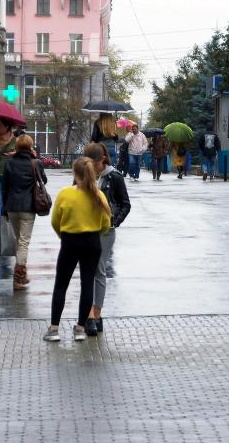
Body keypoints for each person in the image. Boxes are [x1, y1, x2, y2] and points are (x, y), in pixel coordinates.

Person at [43, 157, 111, 342]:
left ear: (75, 173)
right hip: (92, 242)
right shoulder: (99, 195)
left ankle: (54, 328)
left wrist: (63, 235)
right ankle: (80, 328)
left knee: (61, 284)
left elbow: (55, 221)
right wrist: (96, 233)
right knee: (87, 284)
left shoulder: (65, 194)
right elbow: (106, 223)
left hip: (70, 242)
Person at [82, 143, 131, 335]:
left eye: (91, 162)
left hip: (105, 231)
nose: (89, 166)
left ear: (102, 159)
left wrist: (114, 222)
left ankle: (96, 315)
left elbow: (125, 204)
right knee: (87, 271)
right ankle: (88, 315)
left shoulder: (115, 177)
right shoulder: (83, 175)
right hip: (85, 229)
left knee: (99, 270)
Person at [2, 134, 48, 290]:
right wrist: (36, 158)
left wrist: (4, 209)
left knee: (18, 241)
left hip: (12, 207)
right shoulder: (35, 162)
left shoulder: (9, 163)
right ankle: (18, 279)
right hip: (28, 207)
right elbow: (44, 180)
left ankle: (23, 274)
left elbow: (5, 187)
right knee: (23, 242)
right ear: (30, 147)